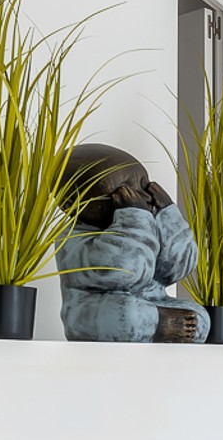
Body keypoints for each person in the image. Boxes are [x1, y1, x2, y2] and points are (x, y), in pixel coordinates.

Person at [55, 143, 206, 343]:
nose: (143, 197)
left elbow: (174, 271)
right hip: (98, 309)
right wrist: (134, 218)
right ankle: (158, 324)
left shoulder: (146, 220)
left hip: (152, 302)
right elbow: (126, 272)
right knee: (125, 314)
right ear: (72, 203)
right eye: (123, 191)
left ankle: (158, 323)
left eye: (144, 186)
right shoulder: (72, 238)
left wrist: (168, 214)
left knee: (198, 315)